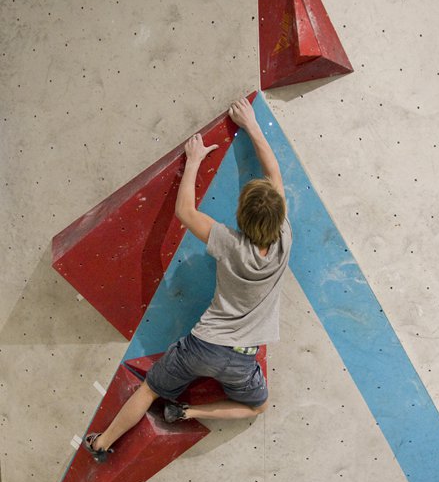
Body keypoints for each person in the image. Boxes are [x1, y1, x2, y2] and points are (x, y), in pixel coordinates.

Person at [84, 97, 292, 462]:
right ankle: (190, 412)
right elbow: (274, 174)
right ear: (278, 217)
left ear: (241, 217)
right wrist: (254, 126)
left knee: (149, 390)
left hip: (201, 347)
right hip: (241, 359)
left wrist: (194, 160)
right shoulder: (284, 240)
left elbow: (184, 212)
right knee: (258, 407)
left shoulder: (228, 242)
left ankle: (102, 443)